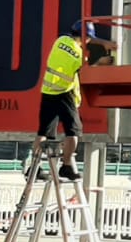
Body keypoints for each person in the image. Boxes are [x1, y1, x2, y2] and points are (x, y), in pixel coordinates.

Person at [36, 22, 94, 181]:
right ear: (85, 37)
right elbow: (86, 68)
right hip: (64, 93)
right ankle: (66, 166)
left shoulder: (60, 41)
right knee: (74, 131)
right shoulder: (79, 55)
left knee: (44, 132)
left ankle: (34, 168)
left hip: (48, 91)